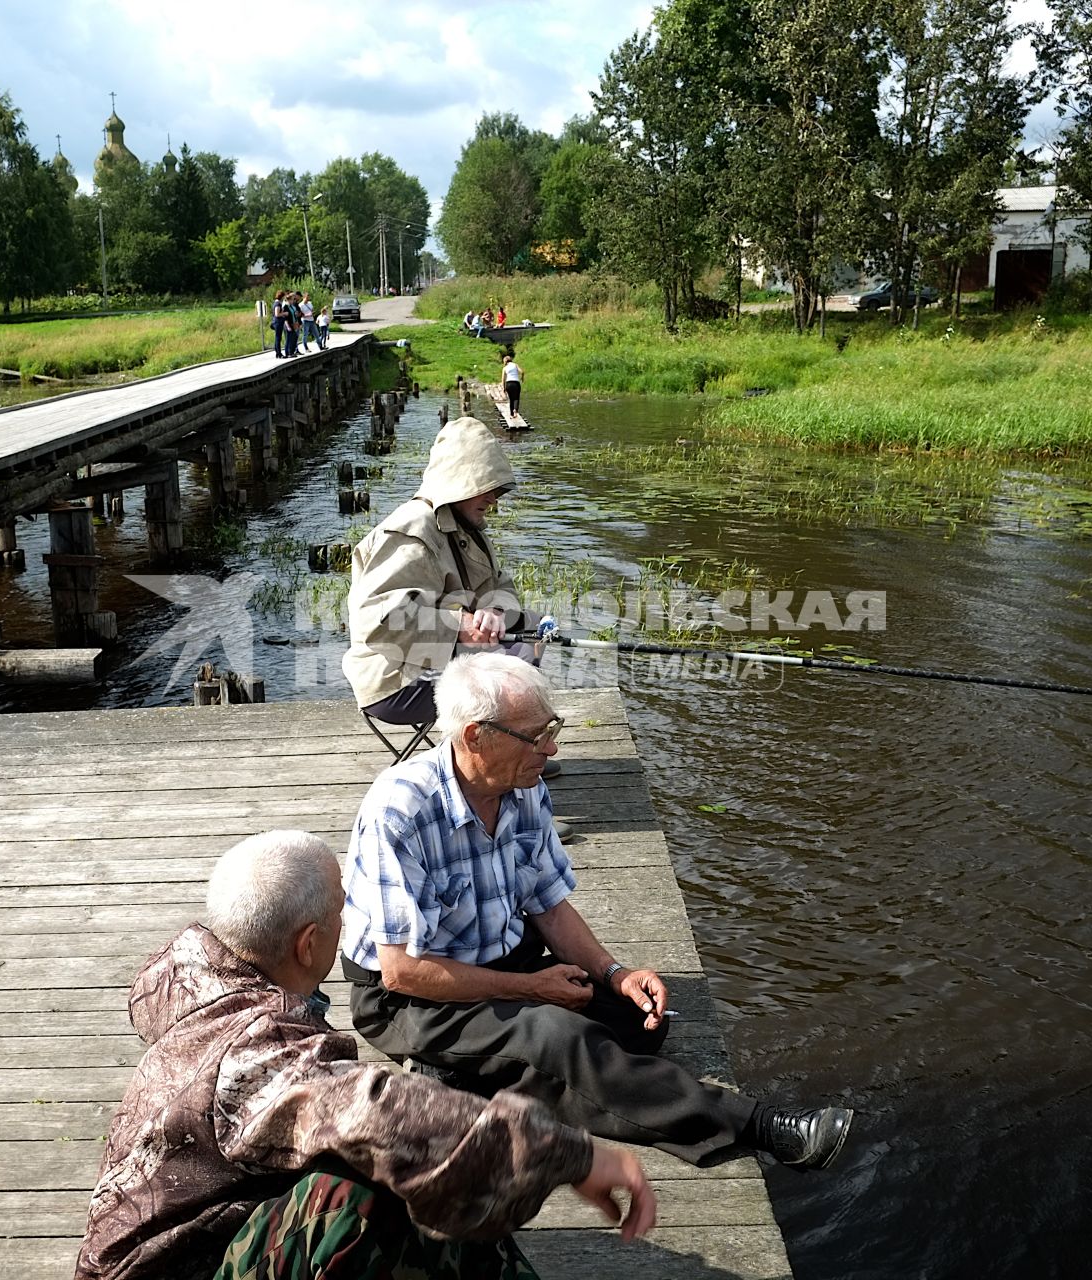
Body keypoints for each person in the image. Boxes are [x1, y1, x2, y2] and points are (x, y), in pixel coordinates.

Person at [341, 653, 856, 1172]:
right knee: (559, 1036)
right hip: (412, 997)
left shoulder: (522, 788)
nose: (552, 747)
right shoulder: (400, 810)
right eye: (535, 735)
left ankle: (471, 1074)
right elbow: (402, 972)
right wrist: (531, 991)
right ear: (476, 736)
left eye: (552, 729)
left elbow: (549, 905)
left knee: (640, 1025)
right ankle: (760, 1126)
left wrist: (614, 973)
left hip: (500, 960)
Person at [75, 830, 655, 1280]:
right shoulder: (256, 1052)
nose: (351, 919)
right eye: (341, 910)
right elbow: (373, 1108)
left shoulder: (191, 979)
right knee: (362, 1185)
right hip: (178, 1269)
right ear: (309, 943)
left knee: (402, 1172)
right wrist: (568, 1155)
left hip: (165, 1241)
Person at [343, 416, 548, 760]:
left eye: (496, 487)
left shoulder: (466, 522)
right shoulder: (412, 530)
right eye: (485, 486)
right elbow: (379, 622)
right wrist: (462, 627)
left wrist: (495, 612)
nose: (494, 498)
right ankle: (505, 759)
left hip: (432, 663)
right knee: (518, 668)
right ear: (460, 482)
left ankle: (512, 754)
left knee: (533, 630)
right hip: (396, 680)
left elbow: (501, 584)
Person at [502, 351, 524, 422]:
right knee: (516, 398)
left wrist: (504, 388)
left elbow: (503, 379)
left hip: (508, 384)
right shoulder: (515, 365)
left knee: (511, 399)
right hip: (516, 383)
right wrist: (522, 378)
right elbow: (522, 372)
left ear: (505, 361)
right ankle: (515, 411)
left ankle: (511, 415)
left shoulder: (505, 368)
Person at [270, 291, 289, 359]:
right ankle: (279, 353)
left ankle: (277, 353)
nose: (284, 298)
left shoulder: (277, 303)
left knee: (277, 338)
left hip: (278, 322)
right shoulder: (278, 304)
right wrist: (284, 313)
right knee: (278, 338)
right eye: (284, 296)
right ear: (281, 296)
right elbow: (277, 314)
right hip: (277, 323)